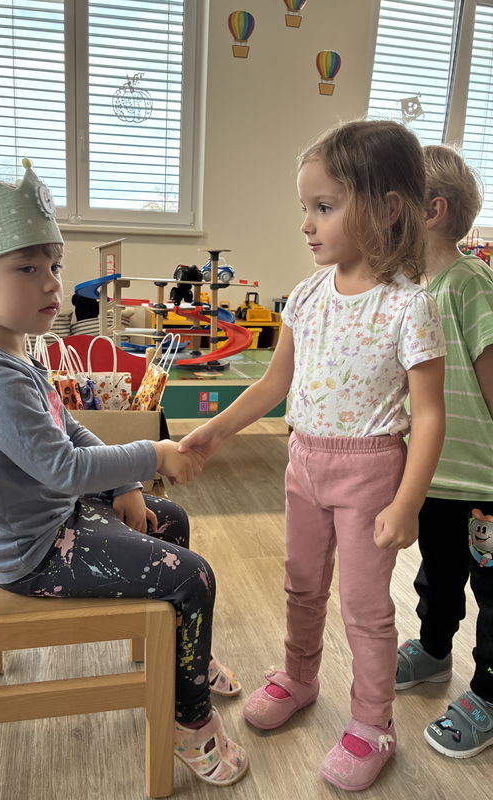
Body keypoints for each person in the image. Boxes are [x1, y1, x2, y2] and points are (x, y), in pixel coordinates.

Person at [0, 160, 248, 787]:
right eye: (27, 268)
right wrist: (154, 455)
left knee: (170, 520)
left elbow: (69, 430)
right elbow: (64, 468)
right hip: (33, 551)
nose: (51, 282)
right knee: (193, 576)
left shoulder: (8, 354)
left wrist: (124, 485)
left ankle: (181, 658)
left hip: (48, 519)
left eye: (54, 264)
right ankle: (189, 721)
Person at [178, 120, 447, 790]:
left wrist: (408, 502)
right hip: (304, 463)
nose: (306, 224)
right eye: (305, 207)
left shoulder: (410, 307)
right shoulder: (305, 296)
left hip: (371, 472)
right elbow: (275, 384)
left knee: (364, 607)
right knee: (301, 584)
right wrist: (215, 431)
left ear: (387, 208)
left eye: (324, 207)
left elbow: (429, 414)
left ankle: (373, 722)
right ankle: (299, 677)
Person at [394, 144, 493, 758]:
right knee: (438, 576)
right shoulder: (413, 289)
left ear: (431, 211)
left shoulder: (469, 284)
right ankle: (433, 652)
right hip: (433, 478)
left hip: (484, 486)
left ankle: (489, 691)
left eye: (391, 205)